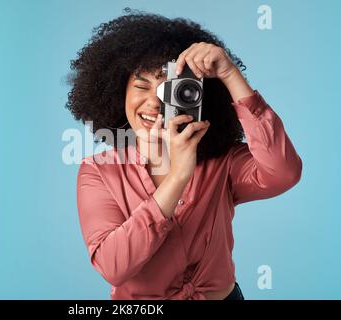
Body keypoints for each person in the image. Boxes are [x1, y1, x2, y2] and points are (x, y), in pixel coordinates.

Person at [66, 10, 302, 300]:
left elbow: (284, 172)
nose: (153, 102)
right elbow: (113, 266)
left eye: (170, 89)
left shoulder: (223, 161)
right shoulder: (99, 171)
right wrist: (178, 176)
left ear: (195, 96)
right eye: (141, 86)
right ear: (118, 93)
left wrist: (229, 75)